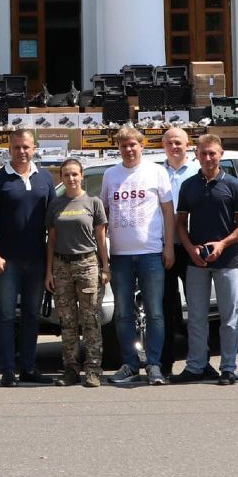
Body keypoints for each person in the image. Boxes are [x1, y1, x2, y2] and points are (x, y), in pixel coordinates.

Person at [173, 134, 238, 386]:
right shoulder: (188, 186)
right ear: (196, 154)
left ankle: (228, 367)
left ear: (221, 155)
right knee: (196, 317)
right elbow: (180, 224)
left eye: (212, 153)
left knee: (229, 317)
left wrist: (223, 244)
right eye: (203, 153)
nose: (208, 158)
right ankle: (195, 365)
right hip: (196, 262)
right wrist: (190, 249)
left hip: (227, 260)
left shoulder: (233, 185)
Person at [0, 129, 56, 386]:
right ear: (9, 149)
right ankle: (8, 371)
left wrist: (50, 263)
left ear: (34, 148)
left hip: (36, 260)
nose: (21, 151)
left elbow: (52, 224)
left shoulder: (45, 178)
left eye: (26, 147)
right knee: (6, 316)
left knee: (32, 315)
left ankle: (28, 368)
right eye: (17, 147)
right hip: (7, 261)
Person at [101, 126, 176, 386]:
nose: (129, 149)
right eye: (124, 146)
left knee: (155, 312)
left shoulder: (156, 171)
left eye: (133, 144)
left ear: (142, 146)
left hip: (151, 253)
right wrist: (104, 254)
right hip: (120, 255)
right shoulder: (110, 174)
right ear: (118, 148)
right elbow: (104, 214)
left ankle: (154, 364)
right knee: (123, 313)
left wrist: (168, 246)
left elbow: (168, 211)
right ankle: (130, 364)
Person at [45, 158, 109, 387]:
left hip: (88, 264)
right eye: (66, 175)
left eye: (75, 174)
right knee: (67, 321)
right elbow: (51, 240)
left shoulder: (93, 202)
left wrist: (105, 267)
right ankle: (70, 369)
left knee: (91, 319)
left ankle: (93, 370)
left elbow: (101, 238)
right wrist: (48, 272)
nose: (71, 178)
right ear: (61, 177)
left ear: (82, 176)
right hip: (62, 265)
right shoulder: (55, 204)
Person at [159, 126, 199, 379]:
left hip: (192, 247)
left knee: (197, 307)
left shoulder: (198, 170)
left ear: (188, 145)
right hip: (164, 248)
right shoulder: (155, 172)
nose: (174, 147)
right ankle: (165, 364)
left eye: (178, 142)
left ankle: (199, 361)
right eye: (169, 143)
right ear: (163, 146)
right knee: (166, 309)